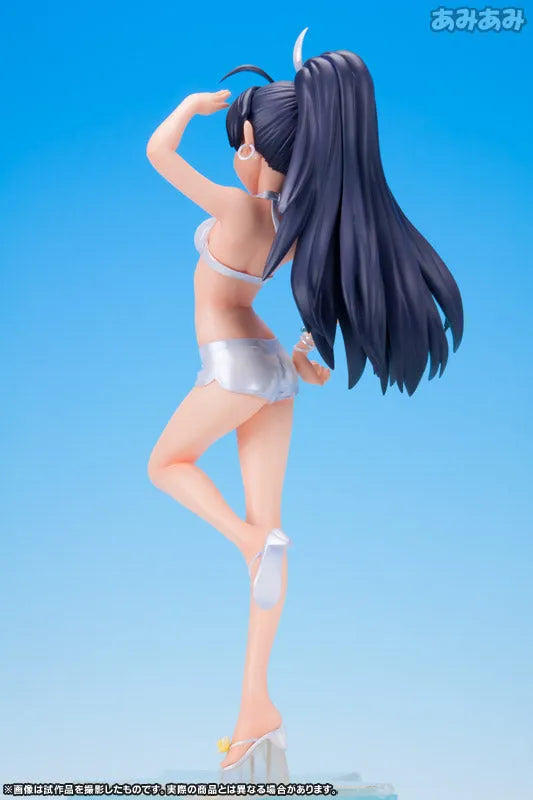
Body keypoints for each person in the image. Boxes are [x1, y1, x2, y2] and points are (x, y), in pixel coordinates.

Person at [145, 28, 464, 774]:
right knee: (274, 535)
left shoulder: (238, 209)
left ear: (254, 148)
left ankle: (244, 539)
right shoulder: (294, 220)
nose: (235, 152)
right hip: (271, 367)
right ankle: (256, 710)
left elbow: (158, 154)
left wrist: (189, 108)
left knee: (167, 466)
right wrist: (301, 361)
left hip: (231, 363)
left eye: (239, 141)